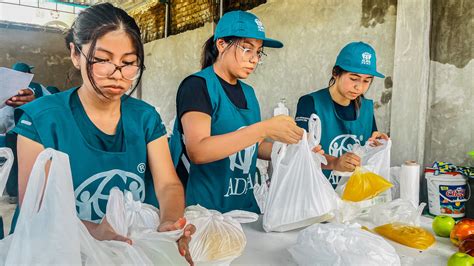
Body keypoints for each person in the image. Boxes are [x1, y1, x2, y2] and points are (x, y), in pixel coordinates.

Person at [11, 3, 194, 264]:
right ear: (75, 54)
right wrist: (94, 230)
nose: (117, 74)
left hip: (121, 251)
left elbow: (168, 184)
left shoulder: (144, 118)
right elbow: (36, 207)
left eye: (128, 63)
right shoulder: (42, 119)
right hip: (52, 253)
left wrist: (169, 222)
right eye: (102, 60)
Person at [169, 10, 318, 214]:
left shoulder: (248, 93)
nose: (254, 59)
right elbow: (198, 151)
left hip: (243, 208)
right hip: (205, 212)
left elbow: (253, 146)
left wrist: (290, 148)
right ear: (221, 44)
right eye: (247, 49)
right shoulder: (198, 86)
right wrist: (264, 129)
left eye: (258, 52)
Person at [295, 41, 389, 188]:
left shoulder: (366, 108)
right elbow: (299, 153)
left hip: (352, 197)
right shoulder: (310, 103)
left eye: (366, 81)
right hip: (316, 196)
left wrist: (378, 145)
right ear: (335, 72)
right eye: (353, 78)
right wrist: (334, 163)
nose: (359, 87)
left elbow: (368, 148)